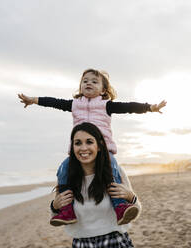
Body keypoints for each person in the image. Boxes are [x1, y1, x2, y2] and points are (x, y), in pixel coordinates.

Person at [18, 68, 166, 226]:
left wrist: (150, 107)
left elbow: (128, 107)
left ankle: (120, 206)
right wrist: (33, 100)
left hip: (103, 150)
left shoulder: (106, 106)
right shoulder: (74, 105)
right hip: (79, 153)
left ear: (103, 90)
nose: (89, 83)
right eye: (85, 81)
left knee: (112, 168)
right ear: (80, 86)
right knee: (63, 168)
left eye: (94, 81)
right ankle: (67, 210)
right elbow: (53, 102)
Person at [51, 122, 139, 247]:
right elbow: (57, 217)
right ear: (72, 148)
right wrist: (54, 207)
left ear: (99, 146)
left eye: (89, 142)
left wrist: (131, 197)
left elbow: (135, 210)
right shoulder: (67, 178)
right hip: (81, 244)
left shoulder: (115, 172)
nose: (83, 148)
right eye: (78, 143)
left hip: (115, 241)